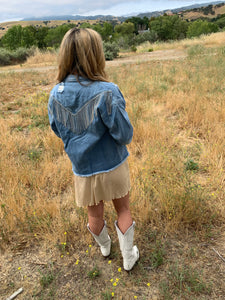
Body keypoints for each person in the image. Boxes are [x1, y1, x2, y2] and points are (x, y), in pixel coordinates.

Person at [48, 28, 139, 271]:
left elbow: (57, 130)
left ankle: (105, 247)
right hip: (113, 164)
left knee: (94, 217)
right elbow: (125, 135)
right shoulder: (107, 91)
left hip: (83, 169)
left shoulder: (54, 95)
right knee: (124, 210)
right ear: (96, 54)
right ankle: (129, 256)